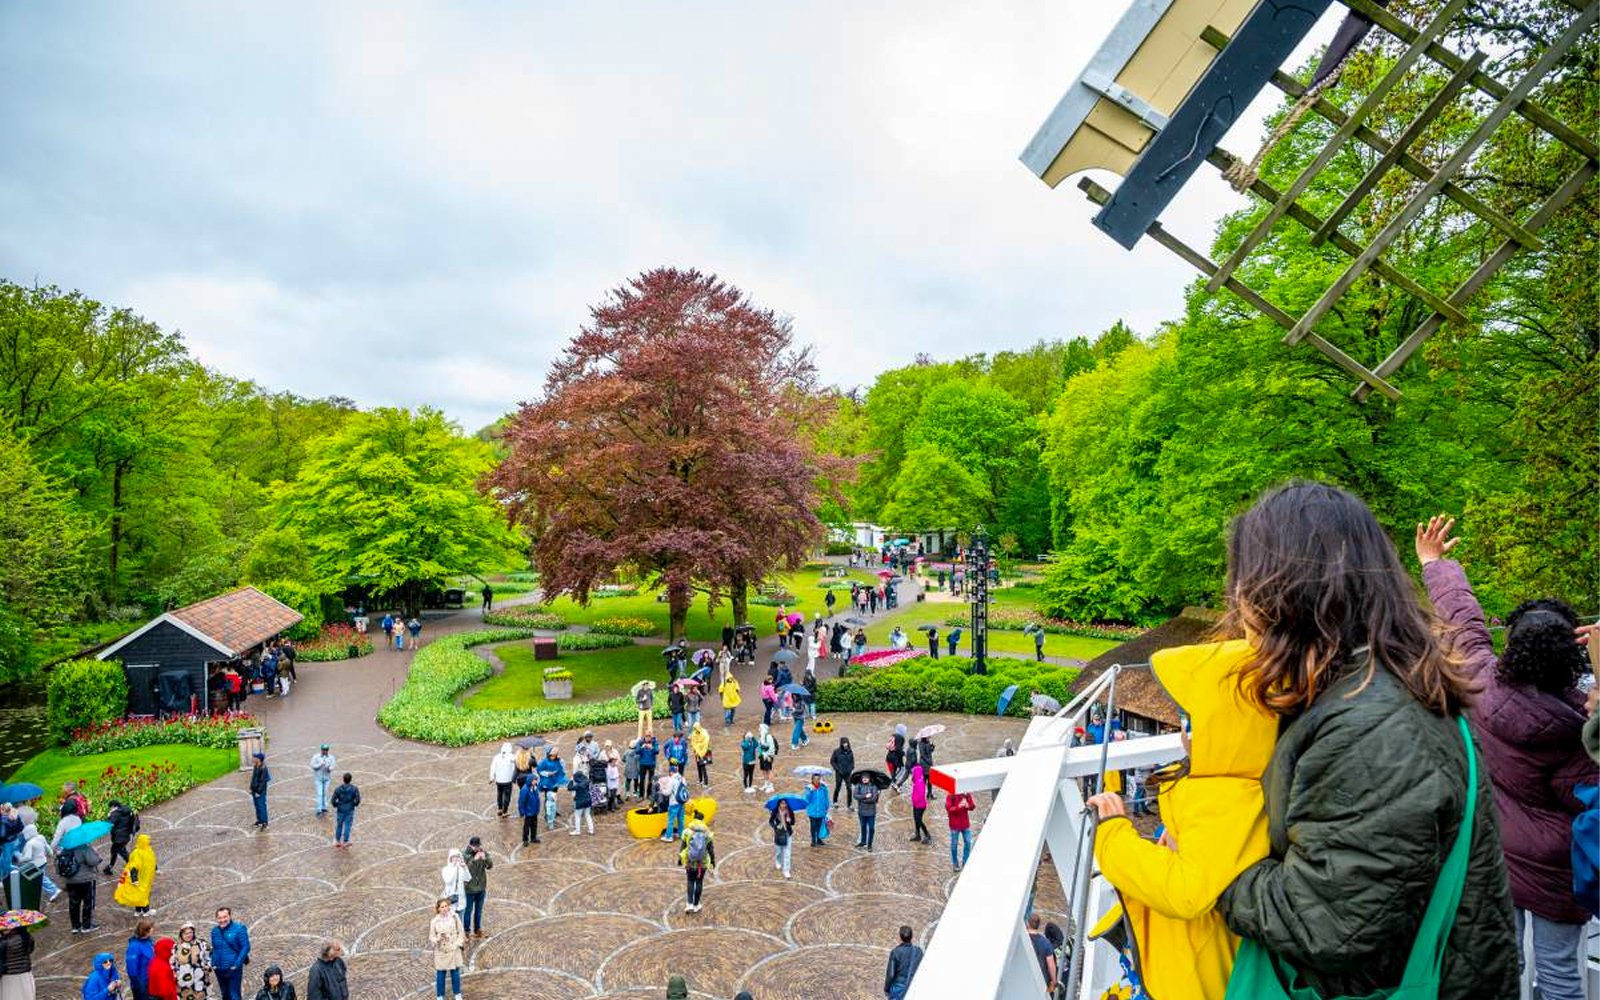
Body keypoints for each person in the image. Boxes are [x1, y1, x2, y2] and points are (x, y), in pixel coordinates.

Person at [1211, 483, 1516, 998]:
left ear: (1280, 588)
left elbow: (1328, 921)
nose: (1236, 600)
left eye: (1244, 578)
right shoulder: (1379, 688)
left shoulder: (1373, 725)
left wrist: (1213, 871)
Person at [1418, 515, 1592, 998]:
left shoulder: (1477, 680)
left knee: (1501, 961)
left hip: (1495, 850)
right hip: (1559, 865)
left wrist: (1434, 562)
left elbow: (1462, 618)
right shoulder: (1581, 727)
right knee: (1560, 974)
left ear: (1510, 645)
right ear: (1571, 654)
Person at [1082, 639, 1271, 999]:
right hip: (1189, 971)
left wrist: (1112, 834)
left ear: (1221, 725)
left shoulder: (1227, 797)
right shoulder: (1230, 787)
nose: (1181, 731)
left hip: (1190, 981)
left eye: (1189, 719)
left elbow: (1187, 892)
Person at [60, 829, 101, 934]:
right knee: (87, 902)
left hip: (70, 881)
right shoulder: (84, 848)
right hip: (85, 880)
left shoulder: (65, 850)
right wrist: (96, 854)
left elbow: (58, 866)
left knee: (74, 903)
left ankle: (75, 926)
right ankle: (86, 926)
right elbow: (94, 861)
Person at [429, 898, 466, 1000]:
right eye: (442, 907)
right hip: (441, 951)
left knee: (455, 974)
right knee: (440, 975)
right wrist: (438, 938)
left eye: (446, 906)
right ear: (438, 909)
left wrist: (458, 943)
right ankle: (440, 996)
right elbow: (431, 937)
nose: (445, 909)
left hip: (453, 949)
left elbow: (461, 931)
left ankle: (457, 994)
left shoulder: (454, 917)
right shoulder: (434, 922)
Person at [210, 909, 250, 1000]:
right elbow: (215, 948)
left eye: (225, 917)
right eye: (220, 918)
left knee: (234, 995)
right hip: (219, 969)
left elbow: (246, 947)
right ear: (217, 918)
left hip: (233, 969)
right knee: (225, 995)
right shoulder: (215, 931)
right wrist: (213, 963)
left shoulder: (239, 928)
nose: (222, 920)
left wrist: (236, 965)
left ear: (230, 916)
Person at [113, 834, 157, 915]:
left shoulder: (148, 851)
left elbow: (152, 861)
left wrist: (156, 868)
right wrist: (134, 879)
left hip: (145, 877)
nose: (149, 843)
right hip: (140, 878)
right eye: (148, 841)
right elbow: (134, 867)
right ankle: (146, 911)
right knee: (142, 894)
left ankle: (138, 910)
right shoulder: (138, 853)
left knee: (139, 894)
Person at [678, 817, 715, 913]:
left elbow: (682, 847)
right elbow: (711, 850)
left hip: (690, 862)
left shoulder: (687, 832)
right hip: (702, 863)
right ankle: (696, 904)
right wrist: (712, 862)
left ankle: (689, 904)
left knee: (690, 881)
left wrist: (680, 859)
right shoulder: (707, 834)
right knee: (699, 882)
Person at [18, 821, 60, 903]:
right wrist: (50, 853)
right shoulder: (41, 837)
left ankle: (53, 890)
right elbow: (47, 847)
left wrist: (20, 859)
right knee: (39, 877)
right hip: (43, 861)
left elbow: (28, 857)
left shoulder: (29, 844)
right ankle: (35, 890)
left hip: (36, 864)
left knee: (40, 878)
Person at [461, 836, 492, 937]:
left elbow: (490, 866)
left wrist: (485, 858)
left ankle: (477, 929)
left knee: (478, 910)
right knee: (468, 911)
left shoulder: (482, 852)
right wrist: (474, 859)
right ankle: (466, 930)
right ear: (470, 845)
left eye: (478, 846)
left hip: (481, 888)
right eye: (475, 846)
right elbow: (465, 870)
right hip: (469, 889)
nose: (477, 848)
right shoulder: (464, 855)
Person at [171, 923, 210, 1000]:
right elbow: (172, 962)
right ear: (181, 934)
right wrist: (174, 973)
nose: (189, 935)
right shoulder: (176, 947)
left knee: (200, 997)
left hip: (199, 979)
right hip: (183, 981)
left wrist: (208, 966)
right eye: (186, 933)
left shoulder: (202, 943)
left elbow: (210, 956)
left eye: (190, 932)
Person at [883, 925, 922, 1000]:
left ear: (900, 938)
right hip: (912, 985)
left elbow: (891, 974)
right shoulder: (918, 951)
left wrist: (886, 989)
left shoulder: (896, 952)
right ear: (911, 937)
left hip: (898, 987)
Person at [104, 799, 139, 875]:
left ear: (113, 806)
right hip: (125, 835)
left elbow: (109, 823)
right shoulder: (127, 810)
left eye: (110, 808)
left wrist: (108, 816)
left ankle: (134, 868)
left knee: (123, 853)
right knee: (114, 850)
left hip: (118, 838)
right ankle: (109, 867)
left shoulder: (115, 814)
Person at [1, 925, 35, 1000]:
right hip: (26, 974)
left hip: (10, 977)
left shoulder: (5, 941)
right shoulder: (28, 937)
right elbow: (30, 950)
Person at [1026, 913, 1056, 996]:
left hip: (1025, 976)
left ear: (1027, 923)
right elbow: (1051, 965)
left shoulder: (1023, 939)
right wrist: (1054, 981)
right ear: (1038, 925)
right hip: (1041, 979)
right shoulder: (1046, 942)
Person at [945, 789, 974, 870]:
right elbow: (949, 809)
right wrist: (959, 806)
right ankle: (955, 863)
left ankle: (965, 861)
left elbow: (972, 806)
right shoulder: (951, 795)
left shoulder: (966, 794)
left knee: (968, 842)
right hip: (955, 825)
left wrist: (968, 805)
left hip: (965, 824)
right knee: (954, 845)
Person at [125, 920, 154, 1000]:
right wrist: (140, 987)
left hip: (150, 981)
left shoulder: (148, 941)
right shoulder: (134, 947)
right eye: (151, 929)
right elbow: (132, 971)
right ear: (146, 931)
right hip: (142, 985)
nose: (153, 930)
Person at [330, 774, 360, 848]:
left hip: (340, 809)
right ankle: (346, 841)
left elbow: (333, 800)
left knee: (339, 824)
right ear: (350, 779)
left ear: (343, 779)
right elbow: (358, 800)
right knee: (347, 825)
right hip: (349, 808)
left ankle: (337, 840)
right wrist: (354, 804)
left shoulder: (338, 789)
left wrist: (337, 805)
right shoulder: (354, 789)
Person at [661, 764, 689, 843]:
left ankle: (668, 836)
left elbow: (667, 793)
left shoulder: (671, 780)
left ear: (670, 772)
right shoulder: (682, 778)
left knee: (671, 819)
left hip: (674, 802)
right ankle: (680, 833)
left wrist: (662, 789)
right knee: (681, 818)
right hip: (681, 801)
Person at [439, 850, 469, 920]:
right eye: (454, 856)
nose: (456, 858)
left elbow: (467, 879)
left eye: (458, 856)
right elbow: (448, 880)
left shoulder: (461, 868)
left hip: (461, 899)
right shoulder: (446, 869)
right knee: (450, 921)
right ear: (450, 858)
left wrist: (465, 868)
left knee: (460, 921)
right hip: (450, 898)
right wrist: (456, 868)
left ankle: (461, 931)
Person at [489, 743, 517, 817]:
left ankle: (500, 808)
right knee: (507, 795)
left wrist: (492, 777)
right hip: (507, 780)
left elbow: (493, 768)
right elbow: (516, 763)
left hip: (499, 780)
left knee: (500, 794)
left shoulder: (496, 757)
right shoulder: (511, 757)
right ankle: (505, 811)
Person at [854, 773, 880, 851]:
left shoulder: (874, 787)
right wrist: (865, 796)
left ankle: (869, 844)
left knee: (871, 828)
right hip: (861, 811)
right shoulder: (858, 785)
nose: (865, 779)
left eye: (866, 778)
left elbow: (874, 798)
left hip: (871, 811)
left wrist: (862, 800)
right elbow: (855, 795)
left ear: (869, 778)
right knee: (863, 826)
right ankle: (863, 841)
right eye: (863, 778)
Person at [309, 745, 336, 817]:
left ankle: (324, 807)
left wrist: (328, 768)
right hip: (318, 778)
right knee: (320, 794)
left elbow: (333, 766)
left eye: (326, 750)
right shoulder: (316, 757)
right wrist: (319, 765)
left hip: (327, 778)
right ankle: (319, 809)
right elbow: (312, 765)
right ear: (321, 750)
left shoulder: (331, 758)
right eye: (324, 750)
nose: (325, 751)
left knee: (325, 793)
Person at [770, 800, 795, 879]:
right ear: (779, 804)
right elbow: (770, 821)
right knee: (778, 851)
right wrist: (775, 827)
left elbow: (793, 822)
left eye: (785, 803)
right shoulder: (775, 811)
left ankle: (786, 870)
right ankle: (778, 861)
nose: (784, 805)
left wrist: (790, 820)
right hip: (779, 833)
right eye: (782, 803)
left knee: (787, 853)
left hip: (788, 834)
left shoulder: (790, 811)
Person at [804, 774, 830, 847]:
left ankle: (818, 838)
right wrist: (810, 792)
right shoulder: (809, 788)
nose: (817, 781)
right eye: (815, 779)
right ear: (812, 780)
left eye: (818, 779)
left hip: (821, 810)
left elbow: (826, 797)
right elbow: (807, 799)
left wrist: (827, 806)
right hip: (812, 811)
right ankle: (813, 839)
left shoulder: (823, 788)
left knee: (819, 825)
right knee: (813, 826)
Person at [907, 766, 930, 843]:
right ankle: (918, 835)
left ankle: (927, 835)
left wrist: (914, 800)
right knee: (916, 820)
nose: (912, 774)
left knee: (919, 820)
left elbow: (921, 794)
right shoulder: (917, 781)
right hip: (916, 804)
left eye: (913, 773)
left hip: (920, 805)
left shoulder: (920, 782)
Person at [248, 753, 270, 830]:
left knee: (261, 806)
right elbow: (253, 778)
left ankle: (265, 822)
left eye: (254, 757)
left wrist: (258, 792)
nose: (252, 758)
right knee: (257, 805)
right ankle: (260, 820)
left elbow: (263, 781)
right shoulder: (256, 766)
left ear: (258, 759)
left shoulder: (263, 768)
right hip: (255, 789)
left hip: (260, 791)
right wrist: (251, 788)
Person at [516, 775, 541, 845]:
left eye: (536, 780)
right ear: (531, 781)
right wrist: (522, 812)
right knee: (526, 827)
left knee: (534, 825)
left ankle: (533, 838)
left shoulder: (534, 787)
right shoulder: (525, 789)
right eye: (534, 780)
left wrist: (538, 808)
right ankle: (525, 839)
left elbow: (537, 798)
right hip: (528, 812)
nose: (536, 782)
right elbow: (521, 802)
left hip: (534, 811)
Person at [570, 767, 594, 836]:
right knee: (587, 815)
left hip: (580, 802)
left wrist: (571, 781)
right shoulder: (587, 781)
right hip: (588, 800)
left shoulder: (578, 785)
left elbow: (569, 788)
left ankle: (577, 831)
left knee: (577, 816)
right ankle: (591, 830)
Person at [756, 724, 778, 793]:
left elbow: (772, 747)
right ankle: (766, 784)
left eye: (760, 728)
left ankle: (771, 787)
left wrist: (769, 756)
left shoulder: (768, 736)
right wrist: (759, 752)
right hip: (762, 756)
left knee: (769, 770)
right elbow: (760, 746)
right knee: (763, 770)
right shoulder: (761, 736)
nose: (758, 729)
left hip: (768, 756)